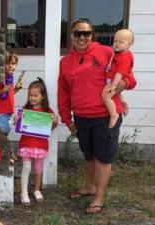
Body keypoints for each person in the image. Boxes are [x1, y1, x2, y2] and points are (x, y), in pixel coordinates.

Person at [57, 19, 136, 214]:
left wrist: (120, 86)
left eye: (86, 33)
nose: (82, 37)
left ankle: (99, 196)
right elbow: (63, 92)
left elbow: (130, 78)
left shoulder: (108, 53)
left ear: (92, 35)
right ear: (72, 35)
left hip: (105, 116)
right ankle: (89, 186)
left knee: (103, 157)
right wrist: (67, 119)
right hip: (81, 117)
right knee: (89, 154)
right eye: (78, 33)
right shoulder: (65, 62)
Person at [17, 78, 58, 205]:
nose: (32, 98)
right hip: (27, 143)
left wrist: (54, 121)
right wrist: (18, 118)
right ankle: (23, 192)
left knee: (38, 168)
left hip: (40, 145)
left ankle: (36, 190)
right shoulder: (26, 109)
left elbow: (51, 127)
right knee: (27, 167)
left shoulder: (47, 111)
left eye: (36, 95)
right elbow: (20, 124)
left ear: (42, 96)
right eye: (30, 95)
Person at [102, 29, 135, 128]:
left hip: (115, 81)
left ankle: (113, 114)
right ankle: (124, 104)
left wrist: (113, 85)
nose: (117, 44)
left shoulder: (125, 57)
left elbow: (120, 72)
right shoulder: (118, 53)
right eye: (115, 41)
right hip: (113, 79)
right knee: (118, 94)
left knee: (106, 95)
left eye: (121, 42)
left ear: (129, 44)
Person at [0, 51, 23, 135]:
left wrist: (16, 89)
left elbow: (7, 95)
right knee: (2, 136)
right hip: (0, 112)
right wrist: (4, 90)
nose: (11, 66)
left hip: (7, 112)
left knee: (3, 135)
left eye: (13, 63)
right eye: (7, 63)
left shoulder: (9, 77)